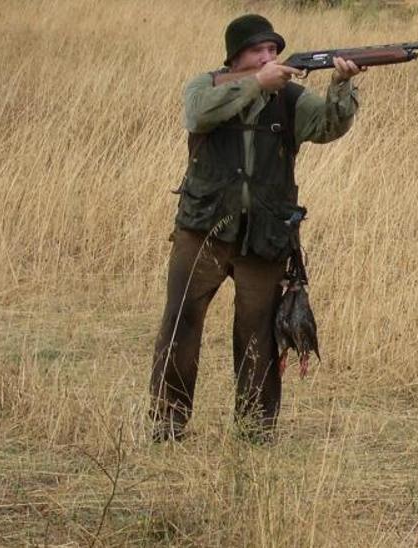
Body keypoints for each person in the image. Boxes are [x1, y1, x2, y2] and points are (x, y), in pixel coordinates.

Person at [150, 14, 365, 442]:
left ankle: (254, 430)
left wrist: (341, 86)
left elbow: (327, 126)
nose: (269, 58)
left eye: (273, 51)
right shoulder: (204, 86)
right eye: (257, 51)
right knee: (181, 323)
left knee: (259, 335)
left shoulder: (288, 98)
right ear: (235, 57)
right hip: (204, 228)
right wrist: (255, 84)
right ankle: (168, 423)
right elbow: (197, 115)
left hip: (265, 233)